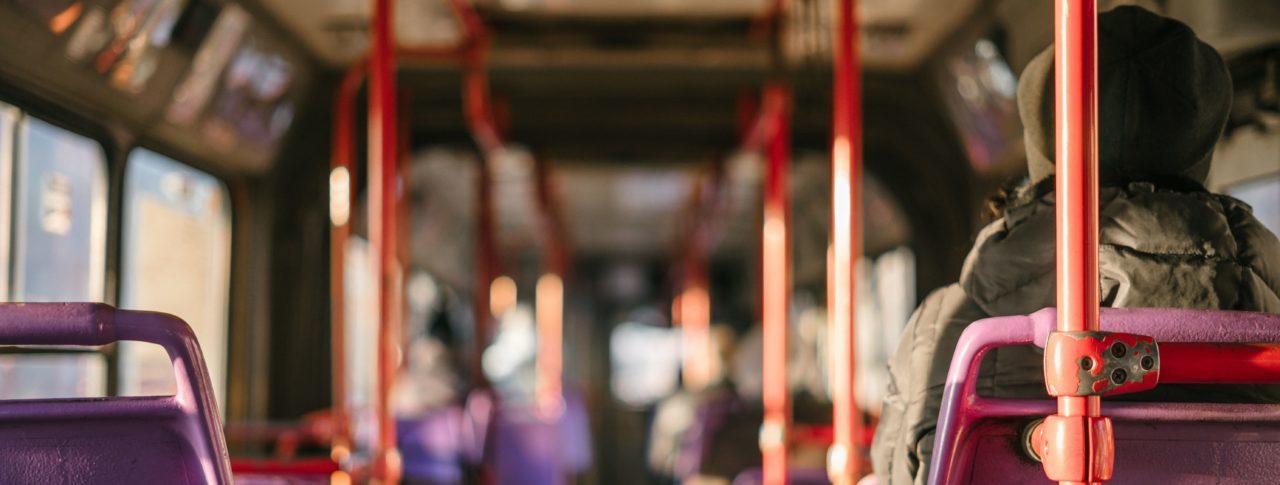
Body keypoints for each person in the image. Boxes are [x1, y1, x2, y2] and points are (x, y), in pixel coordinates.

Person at [870, 6, 1280, 484]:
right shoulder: (1268, 307)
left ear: (1044, 145)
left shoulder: (947, 329)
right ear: (1200, 148)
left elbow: (899, 473)